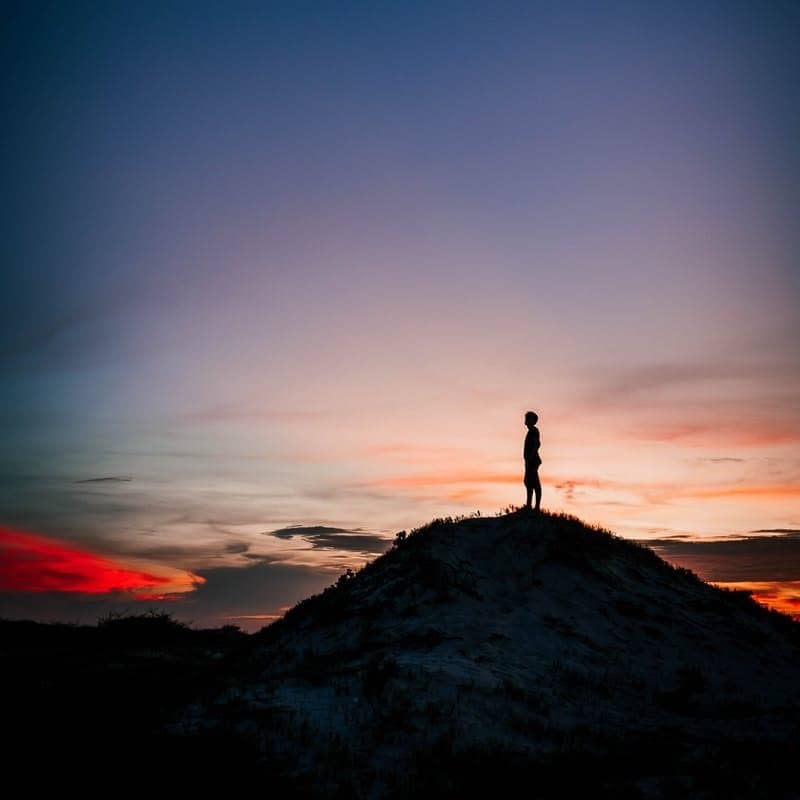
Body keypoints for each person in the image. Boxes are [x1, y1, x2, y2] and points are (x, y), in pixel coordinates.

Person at [523, 411, 542, 512]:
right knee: (528, 482)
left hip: (533, 461)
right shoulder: (531, 431)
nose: (526, 419)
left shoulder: (534, 431)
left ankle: (536, 507)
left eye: (528, 418)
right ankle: (529, 505)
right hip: (529, 461)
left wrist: (530, 458)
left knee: (534, 483)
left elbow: (537, 444)